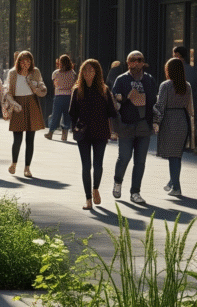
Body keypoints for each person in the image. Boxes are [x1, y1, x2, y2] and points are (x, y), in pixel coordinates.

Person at [110, 50, 157, 204]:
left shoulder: (149, 80)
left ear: (143, 62)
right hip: (126, 125)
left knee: (140, 161)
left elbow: (154, 103)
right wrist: (124, 99)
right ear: (127, 62)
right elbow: (114, 102)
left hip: (144, 125)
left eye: (139, 60)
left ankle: (135, 192)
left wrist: (155, 121)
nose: (135, 63)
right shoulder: (121, 79)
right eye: (132, 60)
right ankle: (118, 182)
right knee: (124, 157)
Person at [69, 59, 117, 209]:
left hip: (101, 132)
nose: (88, 73)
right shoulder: (77, 90)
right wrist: (75, 128)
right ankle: (88, 199)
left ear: (97, 73)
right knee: (86, 165)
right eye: (85, 70)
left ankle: (95, 188)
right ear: (81, 73)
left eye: (91, 70)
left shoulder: (104, 90)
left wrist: (113, 131)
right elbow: (72, 113)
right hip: (83, 133)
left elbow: (112, 112)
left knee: (98, 164)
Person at [154, 56, 194, 198]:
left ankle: (176, 186)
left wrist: (156, 121)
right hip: (183, 120)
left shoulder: (165, 85)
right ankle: (172, 182)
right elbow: (190, 107)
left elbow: (160, 105)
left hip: (170, 120)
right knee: (177, 155)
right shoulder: (187, 85)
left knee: (173, 156)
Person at [6, 50, 46, 177]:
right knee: (17, 139)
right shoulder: (12, 73)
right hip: (18, 105)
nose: (26, 64)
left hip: (32, 104)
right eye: (23, 61)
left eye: (28, 61)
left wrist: (39, 88)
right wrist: (13, 104)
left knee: (30, 139)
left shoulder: (35, 71)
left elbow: (42, 86)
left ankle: (27, 168)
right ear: (19, 62)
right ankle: (14, 163)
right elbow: (8, 92)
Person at [45, 54, 76, 141]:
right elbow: (74, 84)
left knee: (55, 114)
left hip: (59, 96)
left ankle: (50, 133)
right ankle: (64, 135)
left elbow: (55, 84)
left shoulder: (56, 73)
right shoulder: (72, 73)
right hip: (69, 96)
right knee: (66, 115)